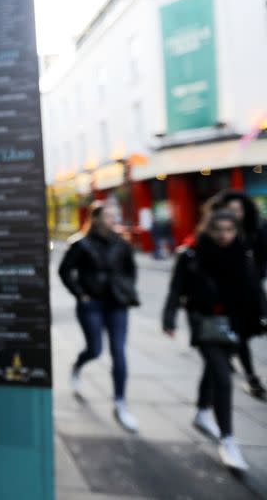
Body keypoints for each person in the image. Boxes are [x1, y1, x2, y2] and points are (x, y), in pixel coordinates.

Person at [162, 209, 267, 471]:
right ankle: (228, 439)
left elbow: (255, 288)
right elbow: (177, 288)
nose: (223, 235)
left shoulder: (243, 254)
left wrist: (262, 316)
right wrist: (170, 318)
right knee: (222, 376)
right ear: (207, 229)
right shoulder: (191, 254)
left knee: (213, 370)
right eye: (218, 229)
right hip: (203, 321)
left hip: (235, 322)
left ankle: (201, 411)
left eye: (229, 230)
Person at [59, 201, 141, 432]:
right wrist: (80, 294)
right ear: (95, 218)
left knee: (118, 351)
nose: (113, 220)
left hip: (117, 304)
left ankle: (120, 403)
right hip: (91, 304)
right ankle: (77, 366)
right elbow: (65, 271)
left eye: (115, 215)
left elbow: (131, 270)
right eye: (108, 216)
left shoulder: (122, 243)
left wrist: (125, 290)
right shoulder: (81, 243)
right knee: (95, 349)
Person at [207, 190, 267, 400]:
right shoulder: (215, 234)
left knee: (247, 334)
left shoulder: (256, 230)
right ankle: (251, 377)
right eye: (231, 209)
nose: (235, 213)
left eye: (239, 209)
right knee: (239, 338)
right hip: (225, 298)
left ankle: (232, 356)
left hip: (252, 293)